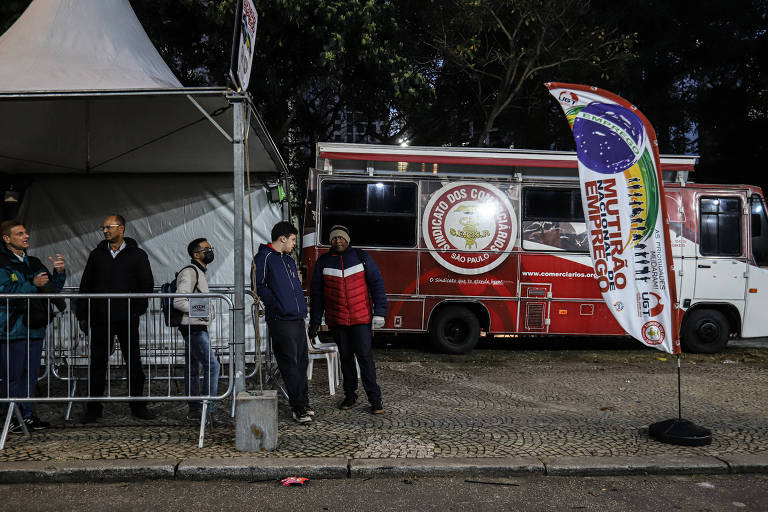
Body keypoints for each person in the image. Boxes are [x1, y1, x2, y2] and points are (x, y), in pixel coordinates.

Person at [77, 214, 155, 422]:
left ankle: (138, 406)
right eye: (103, 227)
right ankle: (93, 408)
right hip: (101, 318)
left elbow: (146, 284)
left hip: (127, 316)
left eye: (109, 227)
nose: (105, 231)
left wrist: (136, 309)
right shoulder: (97, 255)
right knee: (97, 363)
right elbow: (86, 285)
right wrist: (83, 314)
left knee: (133, 361)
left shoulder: (137, 255)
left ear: (121, 229)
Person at [308, 225, 386, 414]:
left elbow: (377, 284)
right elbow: (317, 294)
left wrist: (380, 312)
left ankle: (375, 399)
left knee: (365, 359)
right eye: (334, 238)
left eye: (341, 238)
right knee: (346, 360)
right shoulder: (323, 262)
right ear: (330, 241)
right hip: (338, 322)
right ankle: (350, 395)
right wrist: (315, 322)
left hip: (361, 320)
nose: (338, 241)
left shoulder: (362, 257)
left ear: (348, 239)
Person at [0, 220, 66, 433]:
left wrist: (59, 274)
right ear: (7, 239)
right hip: (13, 329)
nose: (26, 236)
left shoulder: (34, 262)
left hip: (34, 327)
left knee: (30, 375)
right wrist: (31, 285)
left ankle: (26, 416)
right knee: (13, 376)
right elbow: (5, 291)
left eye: (26, 233)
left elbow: (50, 290)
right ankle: (11, 417)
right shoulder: (2, 263)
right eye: (20, 234)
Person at [252, 221, 312, 424]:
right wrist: (276, 305)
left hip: (296, 318)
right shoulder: (264, 257)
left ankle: (304, 402)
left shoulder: (288, 259)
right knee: (290, 364)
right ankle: (298, 408)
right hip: (280, 319)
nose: (294, 243)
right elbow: (257, 285)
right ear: (283, 238)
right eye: (293, 239)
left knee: (302, 362)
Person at [173, 238, 220, 420]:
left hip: (194, 326)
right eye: (206, 249)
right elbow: (178, 301)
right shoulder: (190, 272)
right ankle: (209, 410)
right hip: (193, 327)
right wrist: (205, 313)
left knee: (193, 368)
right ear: (196, 254)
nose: (210, 251)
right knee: (213, 366)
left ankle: (194, 410)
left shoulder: (199, 272)